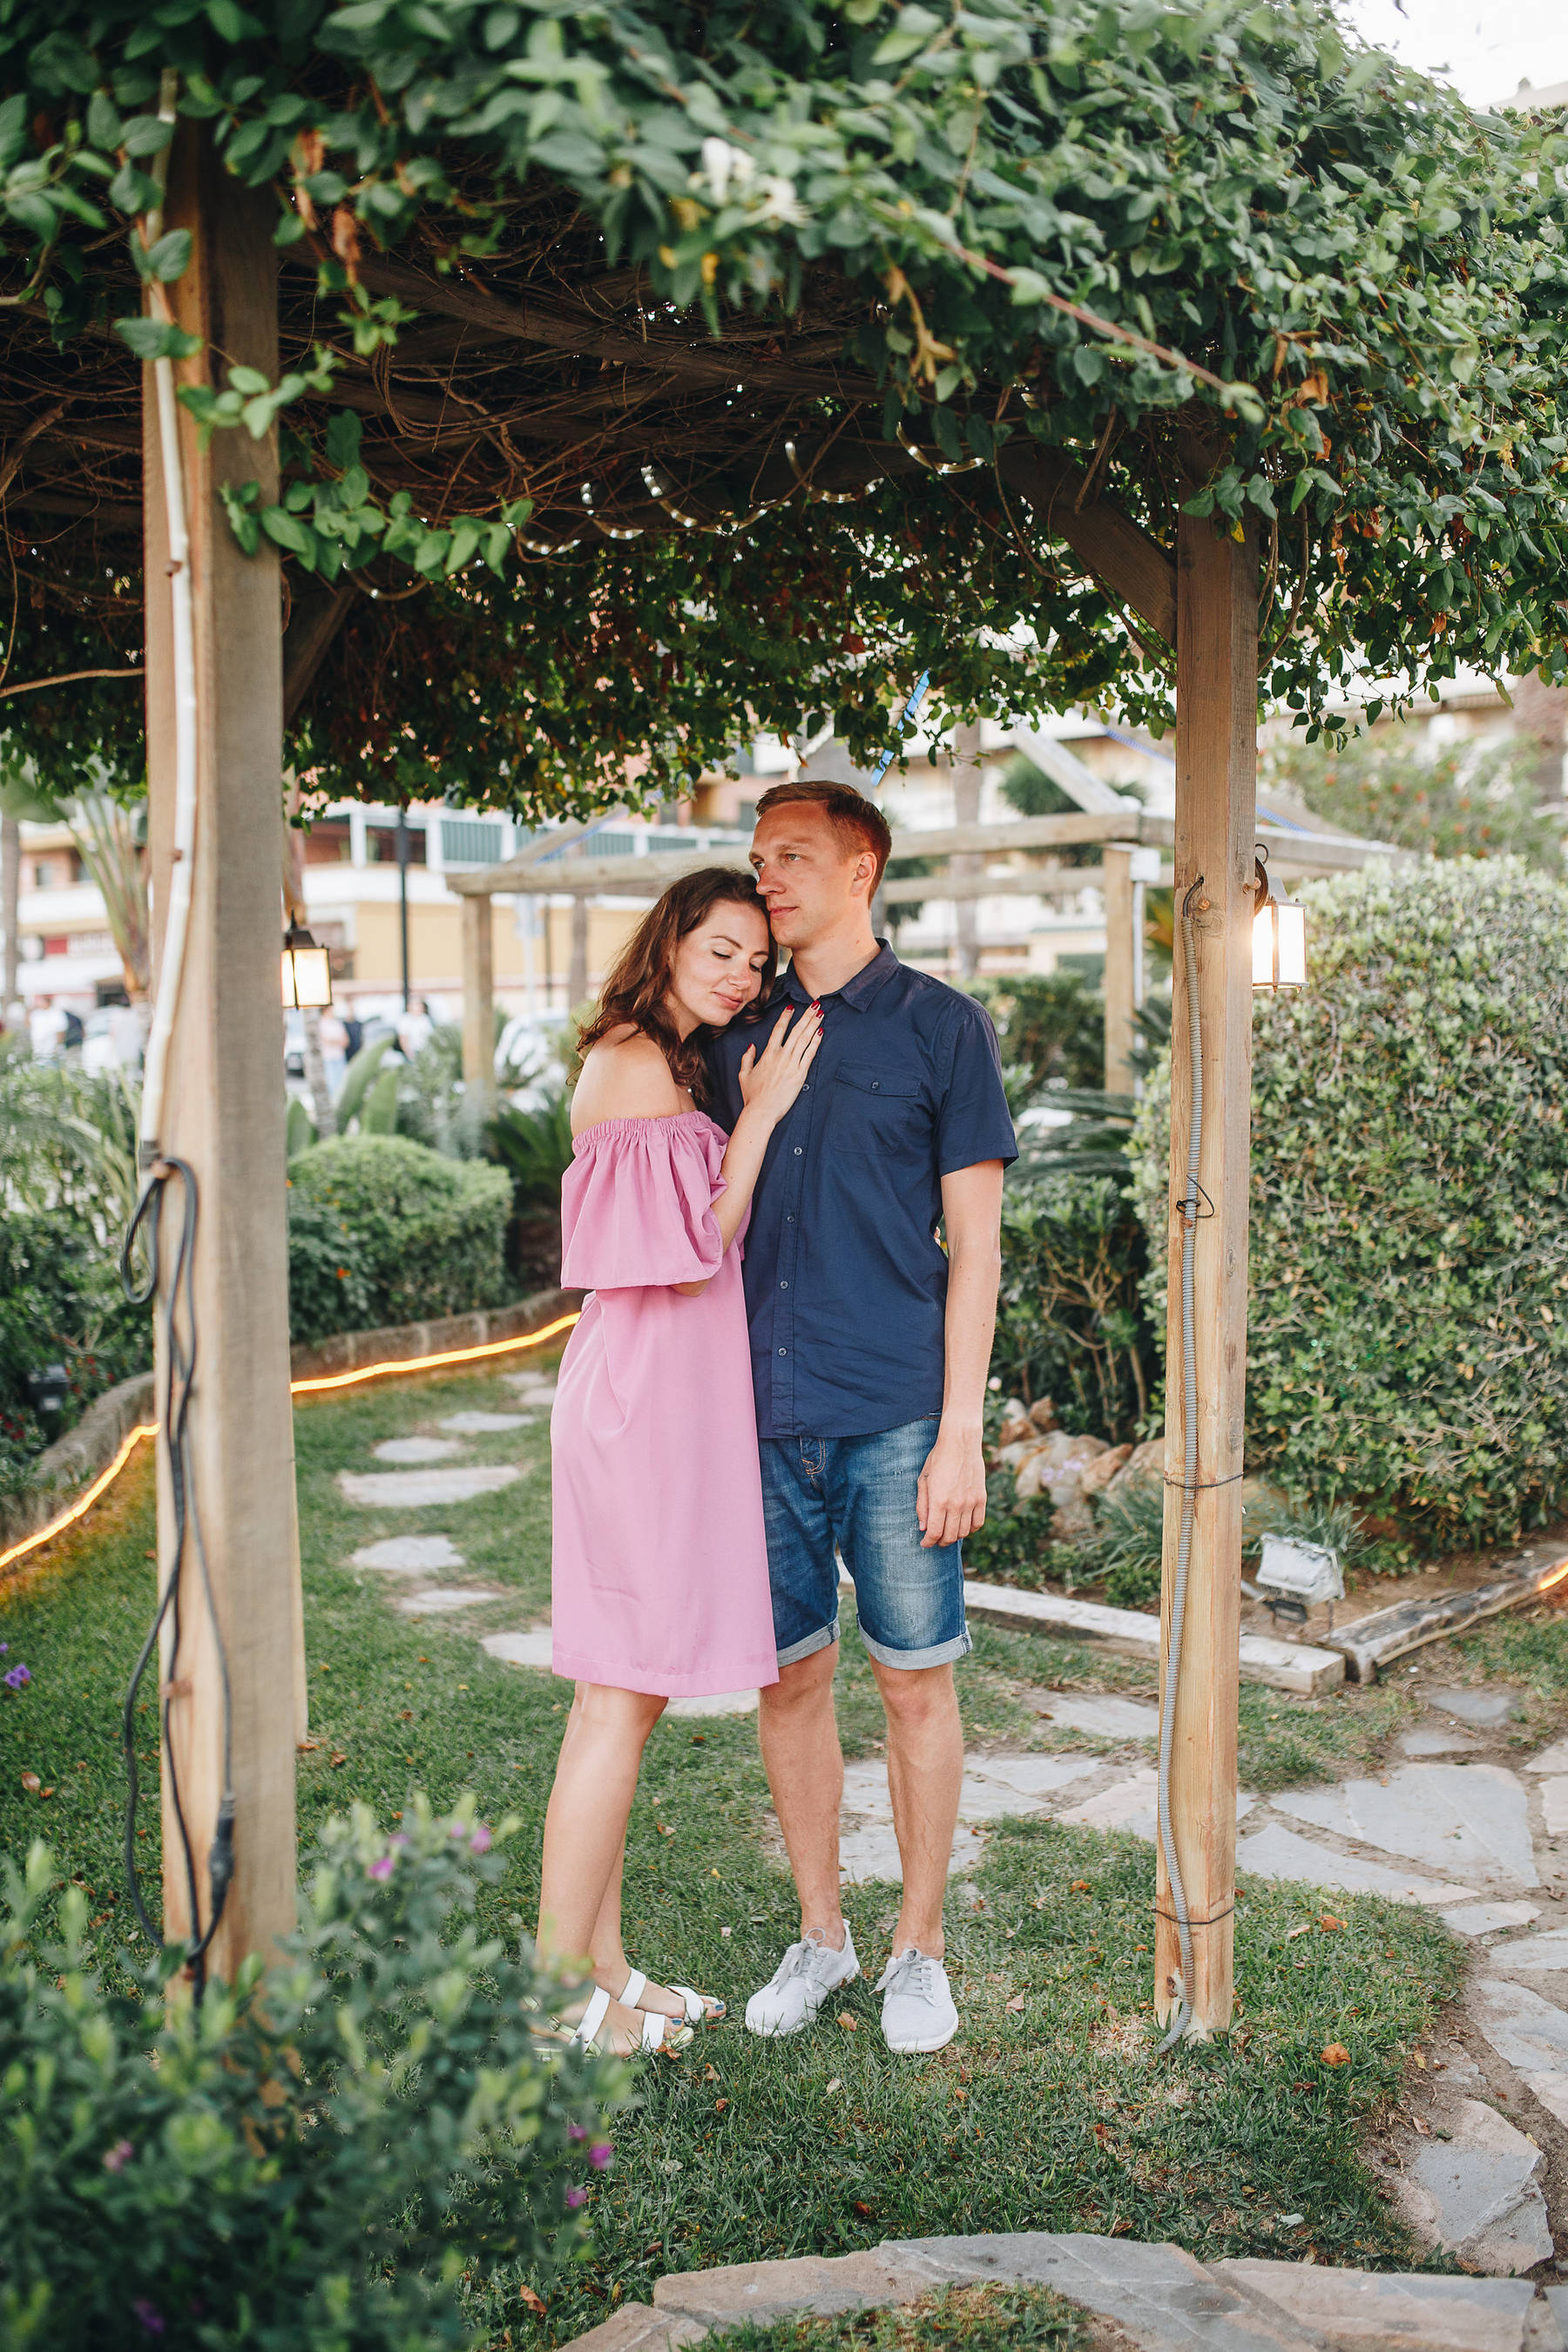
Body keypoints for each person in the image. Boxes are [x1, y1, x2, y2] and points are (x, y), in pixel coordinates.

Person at [708, 778, 1016, 2057]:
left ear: (861, 872)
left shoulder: (942, 1027)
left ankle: (920, 1951)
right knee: (790, 1682)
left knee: (914, 1686)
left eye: (793, 858)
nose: (768, 880)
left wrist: (961, 1429)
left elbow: (979, 1250)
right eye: (759, 859)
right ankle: (824, 1935)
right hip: (758, 1413)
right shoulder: (737, 1032)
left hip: (895, 1414)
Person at [539, 866, 825, 2058]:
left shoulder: (669, 1060)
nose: (742, 977)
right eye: (721, 951)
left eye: (756, 962)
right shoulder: (633, 1061)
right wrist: (759, 1118)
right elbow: (693, 1244)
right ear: (667, 943)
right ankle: (557, 1998)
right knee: (622, 1696)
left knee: (622, 1695)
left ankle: (603, 1969)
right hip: (640, 1404)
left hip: (662, 1399)